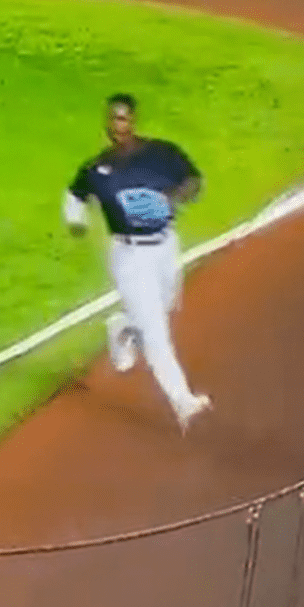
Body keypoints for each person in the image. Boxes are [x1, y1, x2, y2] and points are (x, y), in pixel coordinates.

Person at [63, 93, 212, 431]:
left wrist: (175, 197)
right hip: (129, 255)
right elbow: (74, 195)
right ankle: (182, 401)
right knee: (157, 334)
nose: (118, 126)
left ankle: (123, 327)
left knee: (166, 306)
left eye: (123, 119)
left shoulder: (162, 154)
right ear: (107, 124)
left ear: (133, 120)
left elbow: (194, 181)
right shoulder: (97, 169)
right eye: (112, 119)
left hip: (165, 247)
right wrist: (76, 221)